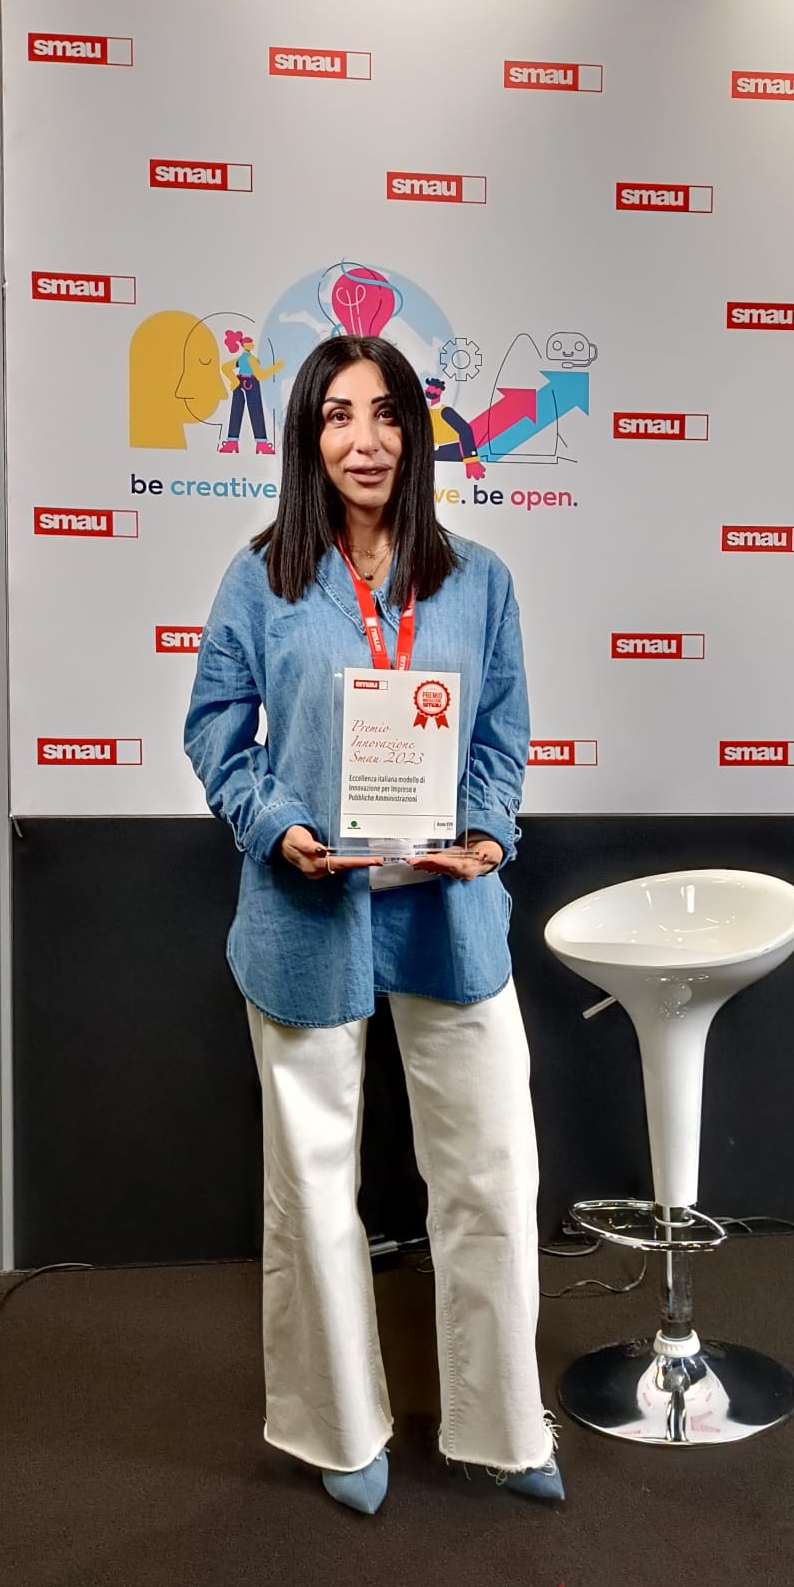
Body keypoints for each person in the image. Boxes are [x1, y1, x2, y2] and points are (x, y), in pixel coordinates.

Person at [183, 332, 562, 1516]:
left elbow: (501, 733)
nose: (366, 439)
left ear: (416, 432)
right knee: (312, 1181)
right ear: (308, 436)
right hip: (310, 905)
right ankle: (338, 1427)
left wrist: (488, 830)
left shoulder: (479, 579)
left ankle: (504, 1424)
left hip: (448, 905)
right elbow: (215, 727)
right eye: (339, 415)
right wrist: (274, 822)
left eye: (388, 413)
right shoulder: (261, 577)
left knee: (492, 1169)